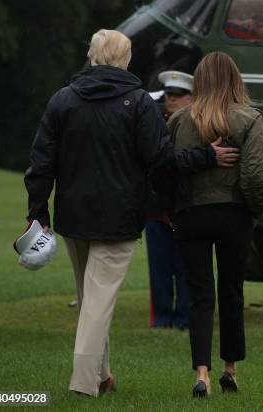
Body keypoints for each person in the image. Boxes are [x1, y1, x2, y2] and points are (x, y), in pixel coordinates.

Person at [23, 29, 240, 398]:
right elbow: (161, 160)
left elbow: (41, 162)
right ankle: (84, 384)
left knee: (92, 300)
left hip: (73, 215)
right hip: (120, 216)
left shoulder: (63, 100)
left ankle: (103, 376)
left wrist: (38, 212)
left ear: (92, 56)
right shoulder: (138, 102)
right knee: (98, 300)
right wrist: (205, 156)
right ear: (126, 59)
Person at [168, 52, 263, 398]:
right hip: (233, 214)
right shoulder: (249, 118)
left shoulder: (179, 120)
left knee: (199, 296)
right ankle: (230, 368)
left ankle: (202, 373)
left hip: (191, 214)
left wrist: (173, 210)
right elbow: (256, 174)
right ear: (235, 79)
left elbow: (165, 169)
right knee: (232, 292)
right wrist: (255, 210)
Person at [146, 70, 194, 330]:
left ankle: (185, 319)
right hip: (157, 210)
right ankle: (162, 318)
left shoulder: (198, 126)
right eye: (169, 95)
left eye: (179, 95)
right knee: (159, 269)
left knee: (186, 267)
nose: (172, 100)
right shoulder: (155, 124)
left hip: (187, 207)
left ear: (191, 98)